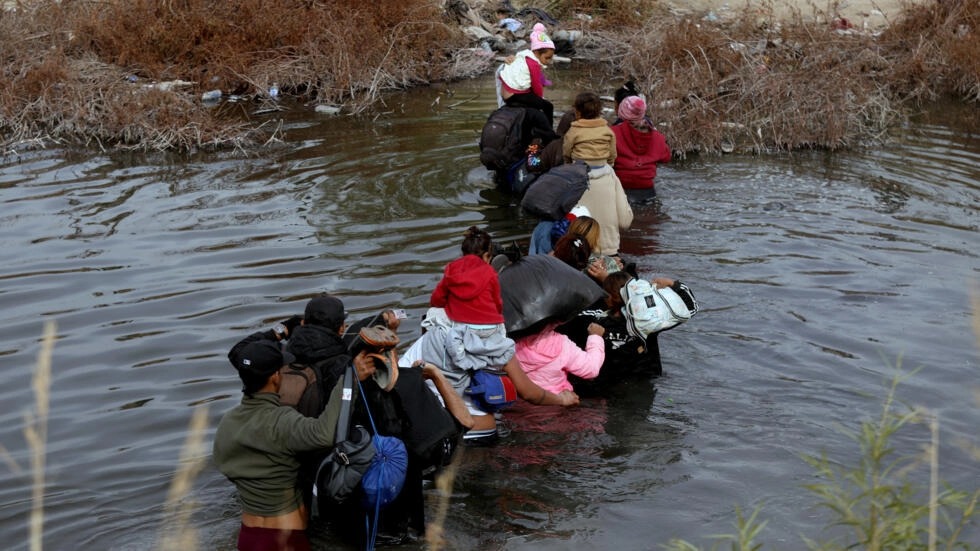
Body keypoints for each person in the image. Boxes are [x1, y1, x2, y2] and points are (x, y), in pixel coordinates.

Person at [213, 333, 376, 551]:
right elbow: (323, 433)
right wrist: (350, 380)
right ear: (275, 377)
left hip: (248, 536)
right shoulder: (282, 421)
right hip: (285, 539)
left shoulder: (227, 424)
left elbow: (226, 466)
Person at [562, 92, 633, 257]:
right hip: (608, 251)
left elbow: (566, 153)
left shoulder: (573, 130)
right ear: (599, 111)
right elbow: (625, 221)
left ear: (577, 112)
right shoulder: (607, 131)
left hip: (578, 253)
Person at [514, 320, 606, 393]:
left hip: (520, 403)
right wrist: (595, 337)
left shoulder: (508, 343)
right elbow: (591, 368)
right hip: (557, 403)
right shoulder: (561, 344)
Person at [612, 95, 671, 205]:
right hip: (647, 189)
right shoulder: (657, 137)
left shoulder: (612, 133)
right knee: (650, 220)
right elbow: (666, 157)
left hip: (621, 188)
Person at [498, 22, 556, 126]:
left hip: (506, 95)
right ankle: (549, 133)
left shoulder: (523, 57)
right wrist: (540, 99)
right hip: (515, 96)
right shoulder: (533, 64)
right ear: (537, 53)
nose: (549, 61)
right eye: (547, 58)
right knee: (548, 106)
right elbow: (536, 84)